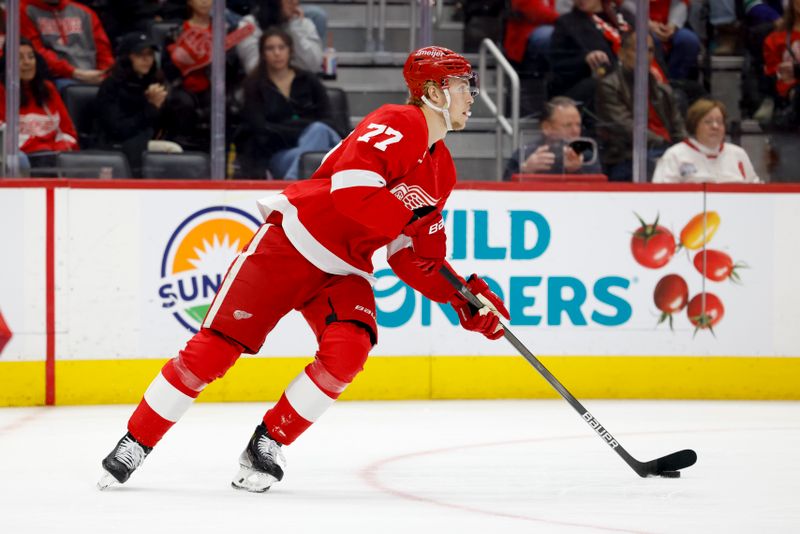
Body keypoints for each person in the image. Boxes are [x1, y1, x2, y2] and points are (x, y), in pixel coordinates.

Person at [98, 46, 510, 493]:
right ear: (432, 91)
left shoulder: (441, 170)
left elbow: (407, 255)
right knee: (214, 350)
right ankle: (136, 441)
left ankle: (267, 443)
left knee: (349, 349)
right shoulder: (398, 121)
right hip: (293, 243)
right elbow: (351, 192)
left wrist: (462, 297)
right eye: (461, 85)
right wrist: (416, 222)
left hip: (345, 268)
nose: (471, 96)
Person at [238, 28, 341, 179]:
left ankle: (291, 188)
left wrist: (285, 128)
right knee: (309, 146)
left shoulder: (309, 80)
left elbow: (328, 121)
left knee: (319, 130)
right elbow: (261, 130)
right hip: (280, 154)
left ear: (290, 51)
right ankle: (297, 183)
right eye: (270, 48)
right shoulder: (254, 86)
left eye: (282, 47)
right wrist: (304, 127)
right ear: (262, 53)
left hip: (319, 146)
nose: (277, 53)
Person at [595, 31, 686, 181]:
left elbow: (678, 127)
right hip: (629, 156)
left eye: (650, 50)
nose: (646, 56)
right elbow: (627, 128)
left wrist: (685, 148)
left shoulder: (662, 89)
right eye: (638, 50)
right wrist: (668, 146)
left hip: (667, 152)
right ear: (622, 53)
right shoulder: (609, 86)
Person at [95, 32, 173, 177]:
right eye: (139, 55)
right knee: (171, 150)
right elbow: (117, 129)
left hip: (143, 142)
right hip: (117, 145)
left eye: (150, 54)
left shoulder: (153, 83)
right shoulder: (112, 86)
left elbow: (164, 126)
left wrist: (161, 106)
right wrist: (150, 107)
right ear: (126, 58)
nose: (146, 59)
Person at [0, 38, 79, 172]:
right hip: (23, 158)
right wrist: (38, 148)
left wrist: (54, 148)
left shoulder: (48, 89)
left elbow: (68, 132)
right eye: (19, 58)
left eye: (31, 57)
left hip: (52, 155)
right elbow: (3, 138)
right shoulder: (2, 92)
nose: (27, 63)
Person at [652, 99, 761, 183]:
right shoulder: (675, 154)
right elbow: (661, 195)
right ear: (695, 125)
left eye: (719, 122)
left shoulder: (738, 154)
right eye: (708, 122)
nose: (715, 126)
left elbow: (756, 190)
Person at [20, 0, 114, 89]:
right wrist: (74, 72)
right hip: (56, 77)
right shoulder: (23, 10)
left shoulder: (85, 12)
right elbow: (35, 51)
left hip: (93, 75)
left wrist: (105, 74)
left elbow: (104, 52)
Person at [503, 96, 601, 180]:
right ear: (546, 127)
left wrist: (576, 170)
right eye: (568, 125)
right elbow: (504, 191)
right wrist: (525, 171)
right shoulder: (525, 153)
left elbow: (599, 190)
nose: (576, 131)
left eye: (578, 125)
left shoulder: (587, 155)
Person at [250, 0, 324, 74]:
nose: (295, 2)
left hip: (299, 82)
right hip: (265, 84)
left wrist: (293, 26)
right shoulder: (249, 25)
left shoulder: (302, 24)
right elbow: (253, 70)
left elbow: (314, 65)